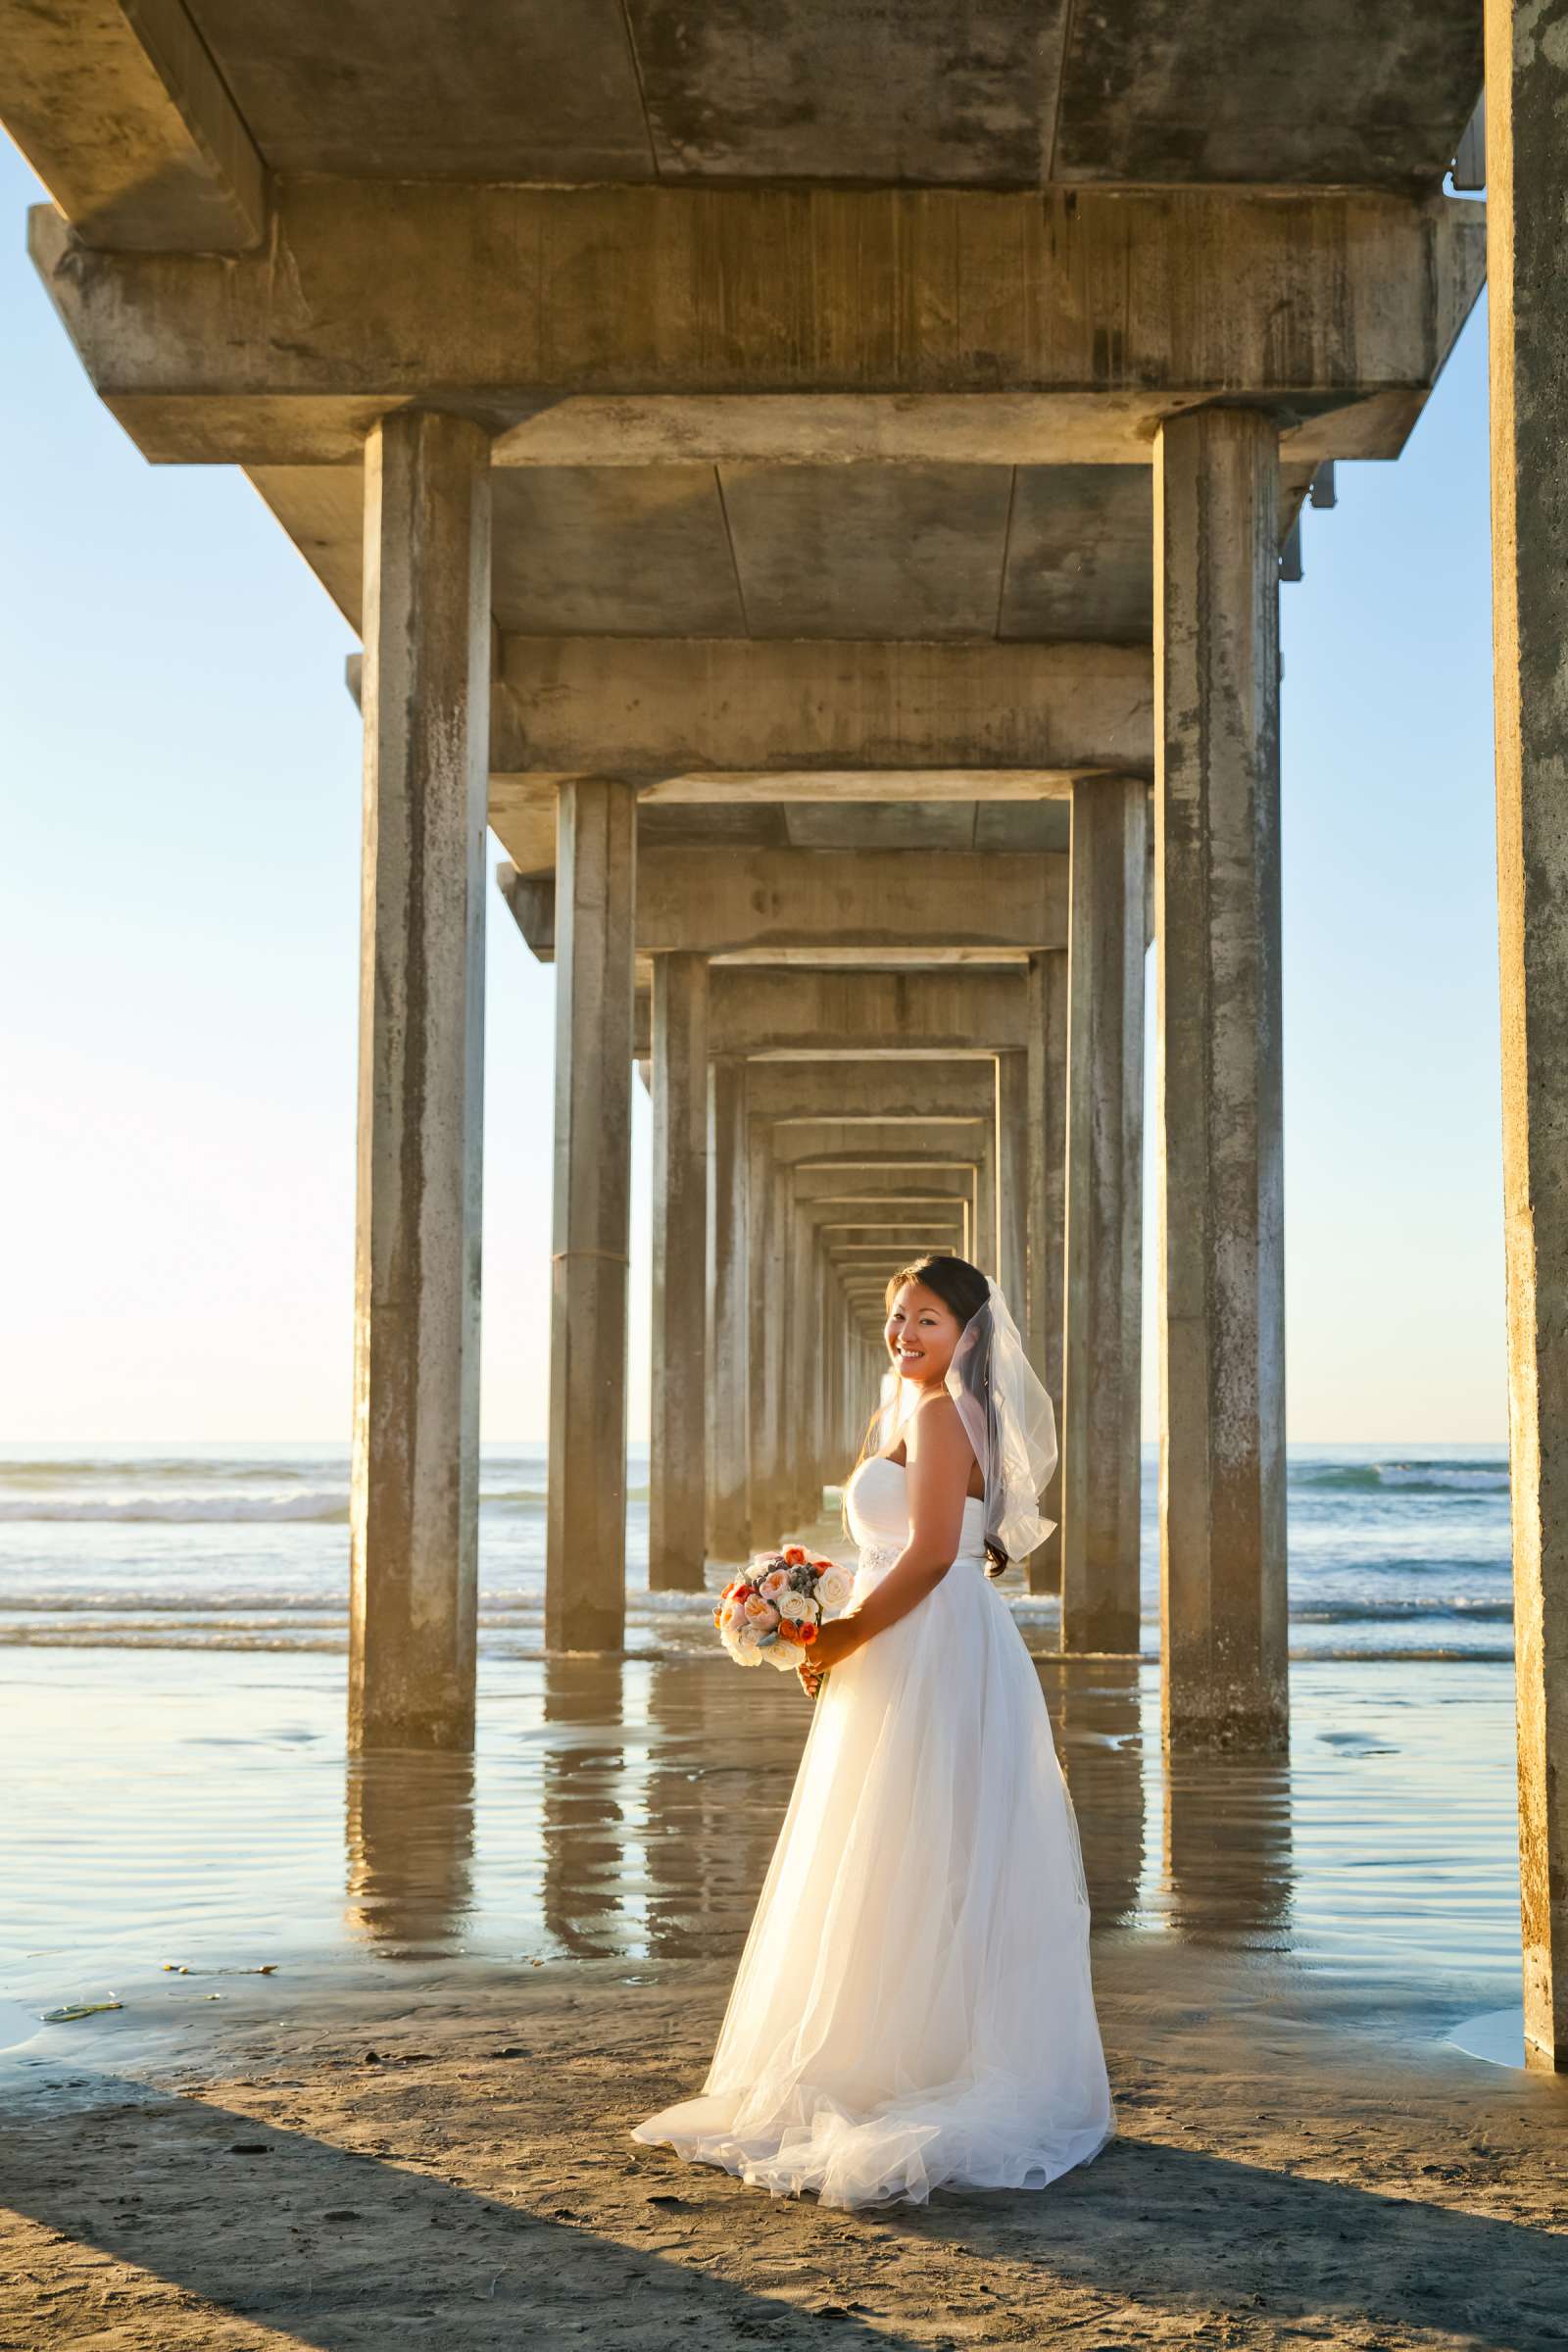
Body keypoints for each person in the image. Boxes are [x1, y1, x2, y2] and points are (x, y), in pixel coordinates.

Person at [631, 1253, 1116, 2209]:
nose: (904, 1335)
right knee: (894, 1850)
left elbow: (937, 1553)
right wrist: (810, 1603)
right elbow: (896, 1549)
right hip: (911, 1642)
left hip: (932, 1645)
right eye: (898, 1318)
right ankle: (894, 2053)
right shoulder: (917, 1412)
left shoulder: (944, 1415)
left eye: (926, 1320)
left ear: (967, 1335)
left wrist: (843, 1630)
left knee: (918, 1848)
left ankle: (914, 2068)